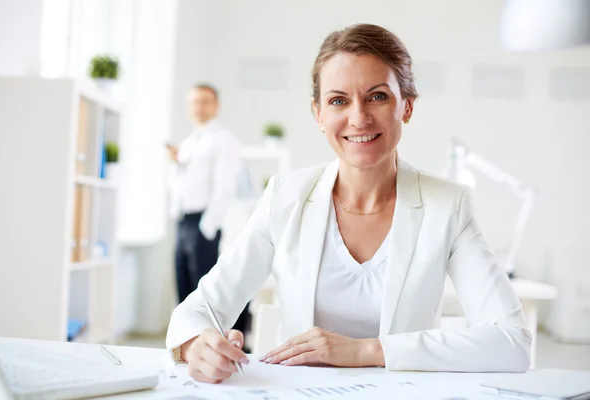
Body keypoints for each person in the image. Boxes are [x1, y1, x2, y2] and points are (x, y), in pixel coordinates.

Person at [166, 24, 531, 383]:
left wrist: (365, 351)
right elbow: (198, 310)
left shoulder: (447, 206)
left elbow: (512, 341)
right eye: (338, 100)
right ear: (319, 114)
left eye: (377, 96)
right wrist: (198, 344)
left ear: (407, 106)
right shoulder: (285, 196)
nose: (358, 118)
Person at [167, 84, 245, 327]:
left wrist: (207, 228)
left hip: (203, 223)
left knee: (204, 295)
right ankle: (188, 344)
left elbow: (224, 187)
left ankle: (212, 346)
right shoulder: (189, 142)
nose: (199, 107)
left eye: (205, 101)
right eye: (194, 102)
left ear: (217, 106)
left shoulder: (223, 140)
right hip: (182, 223)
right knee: (184, 291)